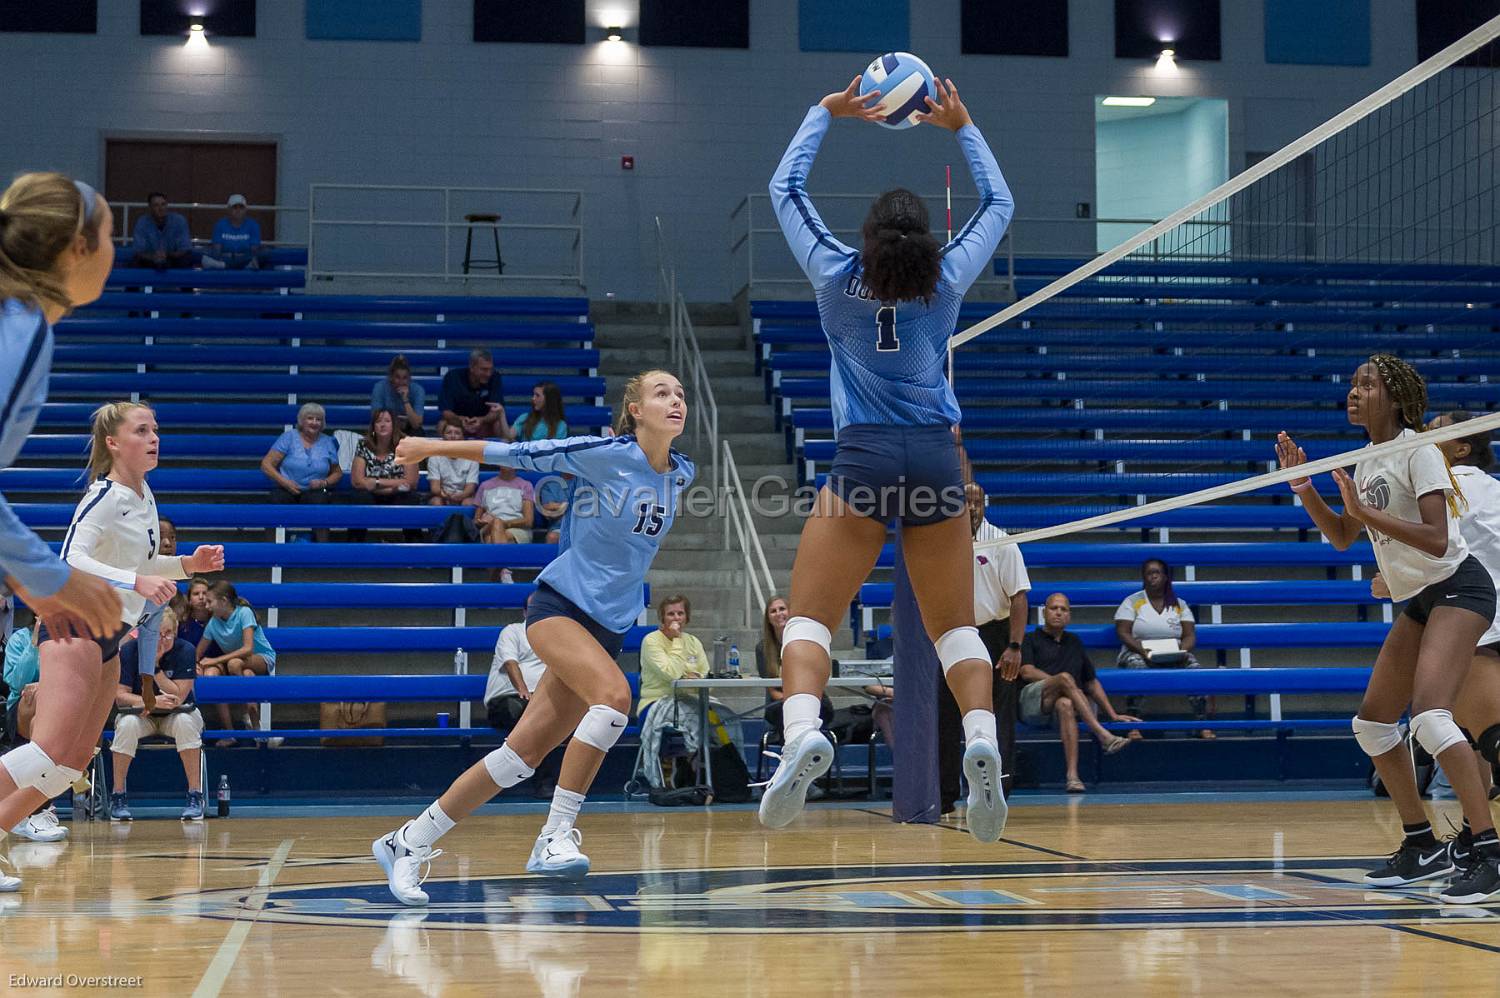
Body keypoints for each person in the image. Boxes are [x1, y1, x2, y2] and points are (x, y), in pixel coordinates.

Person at [761, 75, 1014, 842]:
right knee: (953, 629)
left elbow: (785, 186)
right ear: (925, 241)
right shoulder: (945, 286)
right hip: (938, 460)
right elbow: (998, 204)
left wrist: (825, 109)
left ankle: (804, 729)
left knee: (809, 618)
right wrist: (963, 126)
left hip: (863, 456)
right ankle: (981, 739)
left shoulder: (835, 277)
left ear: (868, 237)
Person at [373, 369, 692, 900]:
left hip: (609, 628)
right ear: (635, 409)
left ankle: (407, 840)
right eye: (662, 393)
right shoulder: (603, 452)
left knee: (518, 758)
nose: (676, 400)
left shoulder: (681, 475)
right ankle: (554, 834)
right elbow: (516, 452)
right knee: (614, 699)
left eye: (681, 394)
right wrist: (428, 445)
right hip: (559, 609)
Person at [1278, 355, 1499, 904]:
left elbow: (1439, 540)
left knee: (1429, 715)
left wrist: (1366, 513)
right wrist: (1304, 488)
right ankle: (1420, 842)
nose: (1354, 392)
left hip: (1460, 589)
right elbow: (1342, 538)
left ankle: (1489, 851)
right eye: (1353, 383)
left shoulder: (1420, 451)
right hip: (1420, 600)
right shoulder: (1369, 459)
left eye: (1367, 385)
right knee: (1373, 724)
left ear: (1396, 399)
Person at [0, 401, 224, 890]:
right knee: (47, 751)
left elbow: (142, 563)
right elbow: (70, 559)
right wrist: (137, 581)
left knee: (72, 763)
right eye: (142, 430)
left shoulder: (144, 494)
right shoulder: (103, 496)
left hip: (108, 631)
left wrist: (188, 564)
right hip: (73, 619)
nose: (154, 437)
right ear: (114, 444)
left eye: (156, 429)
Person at [0, 173, 126, 892]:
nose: (116, 249)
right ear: (77, 247)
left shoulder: (24, 326)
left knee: (67, 757)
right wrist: (50, 579)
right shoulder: (15, 333)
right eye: (109, 234)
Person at [937, 484, 1031, 810]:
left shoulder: (1002, 541)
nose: (972, 507)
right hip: (953, 633)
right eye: (966, 501)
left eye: (977, 501)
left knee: (996, 714)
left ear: (984, 505)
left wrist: (1014, 646)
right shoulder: (944, 541)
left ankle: (998, 789)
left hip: (995, 636)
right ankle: (945, 793)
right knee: (946, 713)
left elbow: (1019, 596)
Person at [1020, 594, 1139, 792]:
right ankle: (1103, 735)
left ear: (1069, 616)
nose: (1058, 612)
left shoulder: (1074, 642)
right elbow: (1026, 671)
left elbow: (1091, 682)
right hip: (1032, 702)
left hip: (1059, 706)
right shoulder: (1030, 638)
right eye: (1053, 608)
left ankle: (1073, 777)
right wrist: (1057, 681)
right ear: (1044, 612)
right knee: (1065, 678)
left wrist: (1113, 714)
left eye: (1063, 609)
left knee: (1065, 704)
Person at [108, 608, 207, 821]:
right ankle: (118, 795)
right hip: (141, 714)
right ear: (144, 633)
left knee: (184, 723)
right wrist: (149, 702)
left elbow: (178, 697)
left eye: (167, 634)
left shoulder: (186, 650)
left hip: (178, 714)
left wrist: (154, 668)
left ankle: (195, 794)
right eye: (156, 634)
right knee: (125, 726)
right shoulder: (128, 650)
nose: (162, 640)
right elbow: (120, 696)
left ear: (176, 632)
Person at [1114, 558, 1213, 739]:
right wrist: (1143, 651)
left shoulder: (1179, 604)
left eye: (1157, 573)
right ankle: (1133, 725)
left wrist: (1182, 651)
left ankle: (1202, 723)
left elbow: (1190, 634)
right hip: (1138, 651)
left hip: (1173, 651)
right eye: (1148, 573)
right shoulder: (1132, 601)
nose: (1152, 577)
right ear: (1143, 577)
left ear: (1166, 577)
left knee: (1194, 668)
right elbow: (1123, 632)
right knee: (1137, 667)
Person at [483, 600, 561, 797]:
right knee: (536, 717)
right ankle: (542, 782)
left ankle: (551, 784)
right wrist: (524, 691)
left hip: (539, 702)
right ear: (525, 612)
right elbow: (510, 663)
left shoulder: (556, 636)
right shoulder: (513, 631)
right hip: (507, 700)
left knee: (550, 718)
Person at [4, 608, 66, 844]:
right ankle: (40, 810)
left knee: (41, 720)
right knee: (38, 701)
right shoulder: (20, 638)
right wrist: (35, 641)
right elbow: (17, 682)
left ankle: (24, 813)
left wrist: (45, 686)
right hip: (20, 707)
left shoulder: (69, 639)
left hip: (57, 711)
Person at [196, 581, 276, 746]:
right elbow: (198, 654)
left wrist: (215, 660)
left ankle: (246, 710)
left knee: (234, 664)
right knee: (246, 674)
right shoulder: (213, 624)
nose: (207, 606)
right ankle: (255, 729)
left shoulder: (244, 612)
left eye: (210, 602)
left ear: (224, 601)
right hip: (241, 666)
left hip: (261, 658)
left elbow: (248, 648)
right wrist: (197, 665)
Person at [260, 402, 341, 542]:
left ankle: (323, 552)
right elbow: (266, 465)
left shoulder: (328, 442)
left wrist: (324, 482)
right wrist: (285, 483)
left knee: (322, 502)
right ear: (301, 421)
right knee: (275, 500)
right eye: (310, 418)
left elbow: (337, 472)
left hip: (315, 491)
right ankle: (272, 552)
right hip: (286, 489)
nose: (314, 422)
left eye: (318, 419)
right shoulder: (289, 437)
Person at [757, 595, 834, 741]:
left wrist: (803, 700)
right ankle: (796, 755)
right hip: (780, 702)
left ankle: (818, 757)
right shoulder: (762, 648)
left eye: (782, 609)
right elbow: (773, 691)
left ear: (790, 612)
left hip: (813, 696)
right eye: (773, 611)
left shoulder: (806, 641)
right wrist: (796, 701)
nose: (778, 613)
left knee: (814, 712)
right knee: (790, 713)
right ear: (768, 618)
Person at [636, 595, 709, 720]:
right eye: (671, 614)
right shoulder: (651, 641)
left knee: (724, 716)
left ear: (687, 617)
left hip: (690, 700)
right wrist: (677, 640)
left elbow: (706, 676)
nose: (676, 618)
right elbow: (672, 674)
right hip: (657, 701)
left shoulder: (693, 641)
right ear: (663, 618)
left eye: (680, 613)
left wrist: (693, 679)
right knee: (695, 719)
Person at [351, 410, 419, 541]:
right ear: (373, 426)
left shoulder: (406, 445)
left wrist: (375, 482)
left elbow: (411, 482)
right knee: (359, 498)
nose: (382, 425)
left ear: (394, 425)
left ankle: (415, 548)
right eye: (378, 421)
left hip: (398, 494)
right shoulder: (363, 444)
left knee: (410, 499)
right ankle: (354, 547)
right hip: (370, 495)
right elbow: (357, 481)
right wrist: (393, 486)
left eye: (387, 421)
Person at [473, 466, 534, 583]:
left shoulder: (526, 485)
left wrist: (502, 523)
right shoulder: (485, 486)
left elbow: (528, 520)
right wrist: (482, 521)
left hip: (516, 529)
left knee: (492, 537)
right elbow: (476, 520)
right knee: (495, 525)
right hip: (488, 527)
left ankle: (494, 580)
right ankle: (504, 569)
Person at [439, 348, 509, 439]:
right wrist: (460, 420)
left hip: (484, 424)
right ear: (472, 367)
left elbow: (496, 411)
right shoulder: (452, 377)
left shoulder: (495, 377)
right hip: (459, 423)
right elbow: (446, 412)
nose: (488, 374)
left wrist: (482, 420)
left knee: (498, 424)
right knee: (442, 424)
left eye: (490, 369)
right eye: (484, 369)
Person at [129, 192, 193, 270]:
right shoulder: (142, 222)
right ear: (150, 207)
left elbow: (184, 249)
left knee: (186, 259)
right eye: (156, 205)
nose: (161, 208)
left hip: (172, 259)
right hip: (150, 260)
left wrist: (166, 255)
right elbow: (138, 251)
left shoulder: (179, 221)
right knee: (134, 262)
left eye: (163, 204)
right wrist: (153, 257)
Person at [426, 416, 479, 505]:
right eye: (449, 432)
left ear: (462, 437)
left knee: (469, 502)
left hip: (464, 496)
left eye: (457, 433)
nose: (453, 436)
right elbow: (435, 488)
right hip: (442, 495)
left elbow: (470, 488)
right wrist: (446, 495)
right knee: (436, 501)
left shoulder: (472, 458)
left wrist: (461, 496)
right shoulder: (434, 457)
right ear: (443, 437)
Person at [203, 194, 264, 270]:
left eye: (241, 207)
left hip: (245, 259)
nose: (238, 210)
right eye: (235, 207)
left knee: (263, 256)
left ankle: (226, 266)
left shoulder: (253, 225)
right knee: (205, 258)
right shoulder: (220, 225)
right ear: (228, 209)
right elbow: (217, 250)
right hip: (225, 258)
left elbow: (254, 250)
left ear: (245, 209)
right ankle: (232, 266)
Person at [372, 355, 427, 436]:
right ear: (391, 377)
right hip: (387, 426)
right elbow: (376, 417)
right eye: (397, 377)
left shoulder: (418, 390)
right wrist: (394, 423)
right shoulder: (379, 387)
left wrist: (405, 399)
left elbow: (416, 424)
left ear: (409, 379)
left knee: (418, 432)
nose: (401, 382)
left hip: (409, 428)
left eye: (404, 378)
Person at [535, 474, 570, 543]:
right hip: (560, 527)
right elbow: (548, 511)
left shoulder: (587, 484)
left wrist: (561, 507)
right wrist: (574, 507)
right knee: (552, 537)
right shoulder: (550, 485)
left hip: (584, 527)